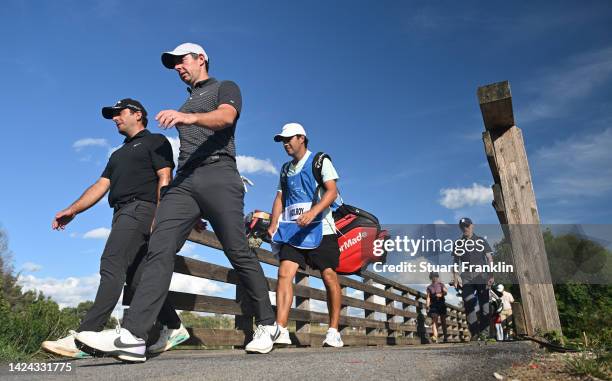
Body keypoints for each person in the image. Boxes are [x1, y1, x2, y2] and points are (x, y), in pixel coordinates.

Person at [75, 43, 277, 362]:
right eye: (173, 64)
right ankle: (133, 335)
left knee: (237, 250)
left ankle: (268, 323)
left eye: (181, 60)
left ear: (201, 59)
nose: (177, 67)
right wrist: (186, 206)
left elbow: (225, 118)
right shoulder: (187, 100)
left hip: (219, 173)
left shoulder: (225, 87)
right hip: (185, 183)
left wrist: (187, 116)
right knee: (159, 247)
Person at [43, 99, 188, 359]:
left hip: (140, 209)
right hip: (121, 212)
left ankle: (84, 338)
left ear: (137, 114)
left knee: (111, 264)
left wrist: (161, 215)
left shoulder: (156, 141)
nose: (114, 118)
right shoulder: (118, 154)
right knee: (138, 278)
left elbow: (165, 177)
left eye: (118, 113)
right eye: (112, 115)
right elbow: (101, 185)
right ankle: (174, 326)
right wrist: (73, 209)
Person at [265, 123, 344, 348]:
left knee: (329, 276)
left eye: (289, 138)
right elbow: (280, 197)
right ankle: (280, 329)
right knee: (284, 274)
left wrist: (313, 212)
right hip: (293, 230)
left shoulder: (320, 161)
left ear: (302, 138)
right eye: (282, 140)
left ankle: (333, 330)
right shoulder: (285, 169)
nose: (285, 143)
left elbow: (332, 191)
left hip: (322, 227)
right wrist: (273, 223)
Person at [451, 217, 494, 340]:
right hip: (467, 278)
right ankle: (475, 334)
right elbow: (455, 261)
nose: (465, 228)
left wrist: (491, 274)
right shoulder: (458, 243)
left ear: (472, 225)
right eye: (462, 226)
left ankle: (485, 333)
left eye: (467, 225)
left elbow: (489, 258)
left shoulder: (481, 240)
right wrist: (455, 277)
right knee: (469, 303)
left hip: (481, 276)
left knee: (485, 305)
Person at [426, 272, 448, 343]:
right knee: (434, 322)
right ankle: (435, 338)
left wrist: (442, 293)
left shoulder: (441, 284)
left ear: (437, 277)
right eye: (433, 276)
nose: (434, 278)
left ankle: (445, 337)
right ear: (430, 278)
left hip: (441, 304)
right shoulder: (429, 287)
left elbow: (446, 292)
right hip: (433, 306)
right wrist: (427, 306)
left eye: (435, 276)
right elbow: (428, 297)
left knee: (443, 321)